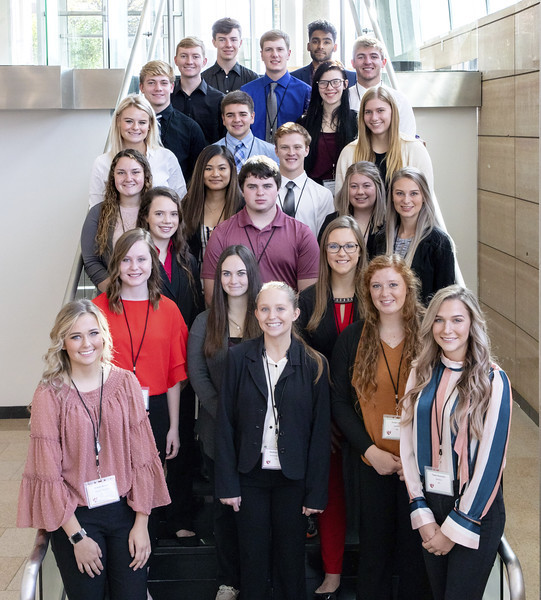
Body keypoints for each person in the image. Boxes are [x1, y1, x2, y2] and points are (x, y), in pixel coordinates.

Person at [17, 299, 170, 600]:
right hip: (76, 516)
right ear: (62, 343)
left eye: (93, 333)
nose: (86, 343)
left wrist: (142, 523)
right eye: (75, 336)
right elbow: (48, 473)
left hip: (125, 511)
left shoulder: (125, 383)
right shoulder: (50, 395)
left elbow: (142, 459)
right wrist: (77, 538)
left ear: (104, 335)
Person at [215, 281, 331, 600]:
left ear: (295, 313)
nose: (272, 316)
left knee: (291, 560)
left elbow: (320, 435)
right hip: (249, 475)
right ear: (256, 313)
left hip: (292, 479)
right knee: (252, 558)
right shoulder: (238, 359)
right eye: (265, 309)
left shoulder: (314, 364)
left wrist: (316, 492)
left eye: (280, 308)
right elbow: (225, 423)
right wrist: (227, 484)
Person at [400, 285, 512, 600]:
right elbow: (406, 448)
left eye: (457, 320)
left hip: (475, 510)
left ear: (472, 324)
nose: (447, 329)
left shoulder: (493, 380)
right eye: (439, 320)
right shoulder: (420, 371)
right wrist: (421, 513)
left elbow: (491, 465)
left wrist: (452, 530)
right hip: (430, 505)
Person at [331, 254, 432, 600]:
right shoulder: (353, 338)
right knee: (374, 554)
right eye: (376, 286)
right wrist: (370, 452)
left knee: (414, 555)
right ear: (367, 292)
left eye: (392, 284)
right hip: (372, 464)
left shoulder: (430, 334)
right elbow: (340, 403)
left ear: (408, 288)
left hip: (418, 467)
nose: (384, 293)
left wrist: (414, 460)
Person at [188, 245, 262, 600]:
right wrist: (227, 414)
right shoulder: (205, 322)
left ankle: (256, 580)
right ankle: (228, 581)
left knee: (256, 514)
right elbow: (198, 375)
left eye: (241, 273)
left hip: (261, 433)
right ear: (218, 279)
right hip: (218, 432)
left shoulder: (265, 316)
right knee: (224, 514)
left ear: (252, 275)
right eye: (227, 274)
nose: (234, 280)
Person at [297, 216, 366, 598]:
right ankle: (333, 573)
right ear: (324, 251)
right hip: (322, 419)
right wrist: (327, 419)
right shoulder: (307, 301)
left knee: (373, 499)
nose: (342, 253)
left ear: (360, 249)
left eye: (350, 246)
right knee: (332, 496)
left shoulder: (376, 296)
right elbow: (302, 367)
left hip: (369, 417)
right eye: (335, 246)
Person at [138, 187, 203, 539]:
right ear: (146, 216)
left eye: (173, 215)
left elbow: (192, 310)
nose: (167, 221)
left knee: (179, 439)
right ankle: (148, 515)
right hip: (146, 361)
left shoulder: (186, 258)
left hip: (180, 358)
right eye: (159, 214)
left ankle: (179, 515)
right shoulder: (135, 256)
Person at [93, 228, 188, 469]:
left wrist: (174, 428)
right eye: (126, 259)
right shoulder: (96, 309)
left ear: (152, 263)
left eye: (141, 259)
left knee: (150, 484)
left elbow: (173, 376)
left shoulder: (169, 310)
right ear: (116, 264)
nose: (134, 267)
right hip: (108, 407)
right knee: (114, 481)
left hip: (155, 408)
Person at [201, 155, 320, 304]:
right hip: (236, 322)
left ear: (278, 189)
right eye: (252, 186)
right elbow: (212, 297)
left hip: (282, 322)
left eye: (267, 186)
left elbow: (307, 299)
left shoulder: (302, 234)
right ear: (242, 191)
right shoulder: (221, 233)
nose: (260, 193)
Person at [373, 167, 455, 305]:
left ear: (424, 197)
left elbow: (444, 298)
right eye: (399, 193)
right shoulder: (380, 239)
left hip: (422, 323)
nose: (406, 200)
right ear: (392, 197)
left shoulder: (439, 242)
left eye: (414, 193)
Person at [89, 94, 186, 207]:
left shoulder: (166, 157)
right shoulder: (102, 163)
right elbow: (96, 208)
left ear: (150, 125)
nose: (135, 127)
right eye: (129, 121)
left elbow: (181, 202)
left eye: (142, 122)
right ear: (118, 122)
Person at [82, 149, 153, 292]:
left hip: (154, 294)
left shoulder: (157, 210)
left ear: (145, 176)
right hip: (113, 298)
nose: (128, 178)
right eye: (121, 172)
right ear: (113, 177)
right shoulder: (98, 213)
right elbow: (91, 261)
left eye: (135, 172)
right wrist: (116, 293)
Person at [335, 86, 429, 194]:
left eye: (380, 110)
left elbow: (425, 199)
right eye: (368, 112)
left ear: (392, 112)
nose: (374, 117)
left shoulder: (415, 149)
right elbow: (341, 201)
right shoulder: (349, 152)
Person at [139, 60, 206, 183]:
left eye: (163, 83)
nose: (158, 88)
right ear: (141, 87)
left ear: (171, 87)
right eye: (151, 83)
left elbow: (198, 174)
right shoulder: (131, 128)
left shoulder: (190, 128)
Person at [297, 60, 358, 190]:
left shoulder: (357, 121)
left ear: (345, 84)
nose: (330, 88)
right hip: (312, 192)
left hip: (349, 192)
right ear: (317, 86)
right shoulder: (304, 124)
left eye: (336, 82)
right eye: (324, 83)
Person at [241, 30, 311, 142]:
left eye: (280, 49)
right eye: (269, 50)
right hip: (254, 156)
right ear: (262, 55)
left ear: (288, 54)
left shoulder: (305, 92)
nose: (274, 54)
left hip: (291, 156)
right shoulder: (246, 92)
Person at [182, 145, 244, 268]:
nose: (215, 174)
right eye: (208, 168)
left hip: (231, 280)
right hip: (193, 279)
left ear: (232, 170)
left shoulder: (243, 207)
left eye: (222, 168)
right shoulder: (187, 205)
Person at [275, 122, 334, 236]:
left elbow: (324, 239)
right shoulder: (264, 192)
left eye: (297, 147)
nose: (291, 153)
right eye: (284, 147)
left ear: (306, 150)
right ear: (276, 151)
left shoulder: (322, 195)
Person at [349, 36, 416, 137]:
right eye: (361, 57)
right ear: (353, 63)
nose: (367, 62)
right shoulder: (343, 98)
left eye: (374, 56)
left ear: (383, 62)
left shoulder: (399, 100)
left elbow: (407, 140)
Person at [319, 161, 386, 257]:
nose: (360, 192)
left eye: (366, 186)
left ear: (378, 188)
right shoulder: (331, 221)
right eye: (354, 186)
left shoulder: (389, 225)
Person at [172, 36, 225, 144]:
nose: (189, 61)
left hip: (208, 160)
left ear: (204, 62)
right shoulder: (166, 97)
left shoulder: (219, 100)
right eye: (183, 56)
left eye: (195, 57)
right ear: (176, 60)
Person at [214, 91, 279, 171]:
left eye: (243, 114)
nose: (237, 120)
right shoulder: (211, 152)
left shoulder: (271, 152)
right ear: (223, 119)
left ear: (252, 117)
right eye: (230, 115)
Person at [291, 20, 356, 87]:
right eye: (315, 42)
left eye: (326, 42)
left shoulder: (352, 78)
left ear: (335, 47)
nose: (320, 46)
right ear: (308, 46)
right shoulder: (293, 78)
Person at [202, 17, 259, 93]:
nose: (228, 45)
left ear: (240, 43)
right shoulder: (202, 80)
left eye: (233, 40)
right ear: (214, 42)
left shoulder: (252, 79)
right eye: (222, 39)